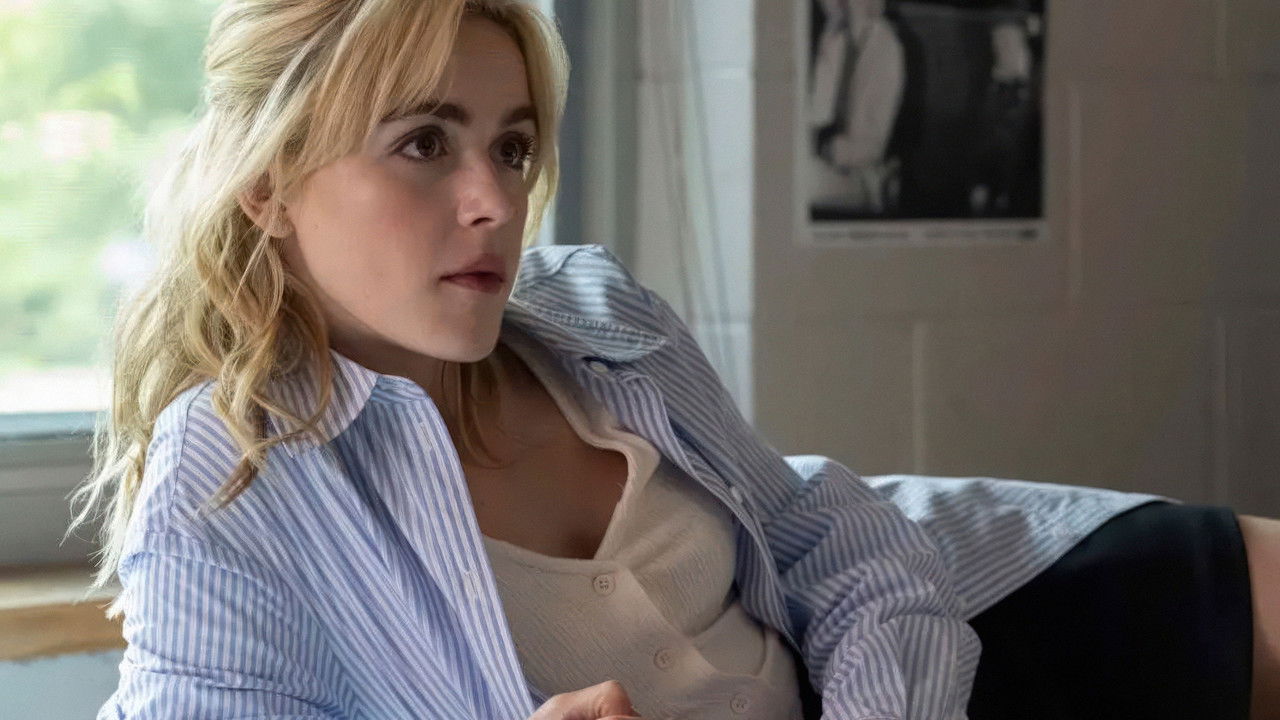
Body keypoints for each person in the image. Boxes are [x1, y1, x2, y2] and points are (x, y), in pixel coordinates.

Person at [66, 1, 1279, 718]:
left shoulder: (590, 308)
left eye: (513, 146)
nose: (495, 200)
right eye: (424, 144)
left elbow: (825, 536)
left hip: (948, 625)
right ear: (270, 183)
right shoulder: (229, 477)